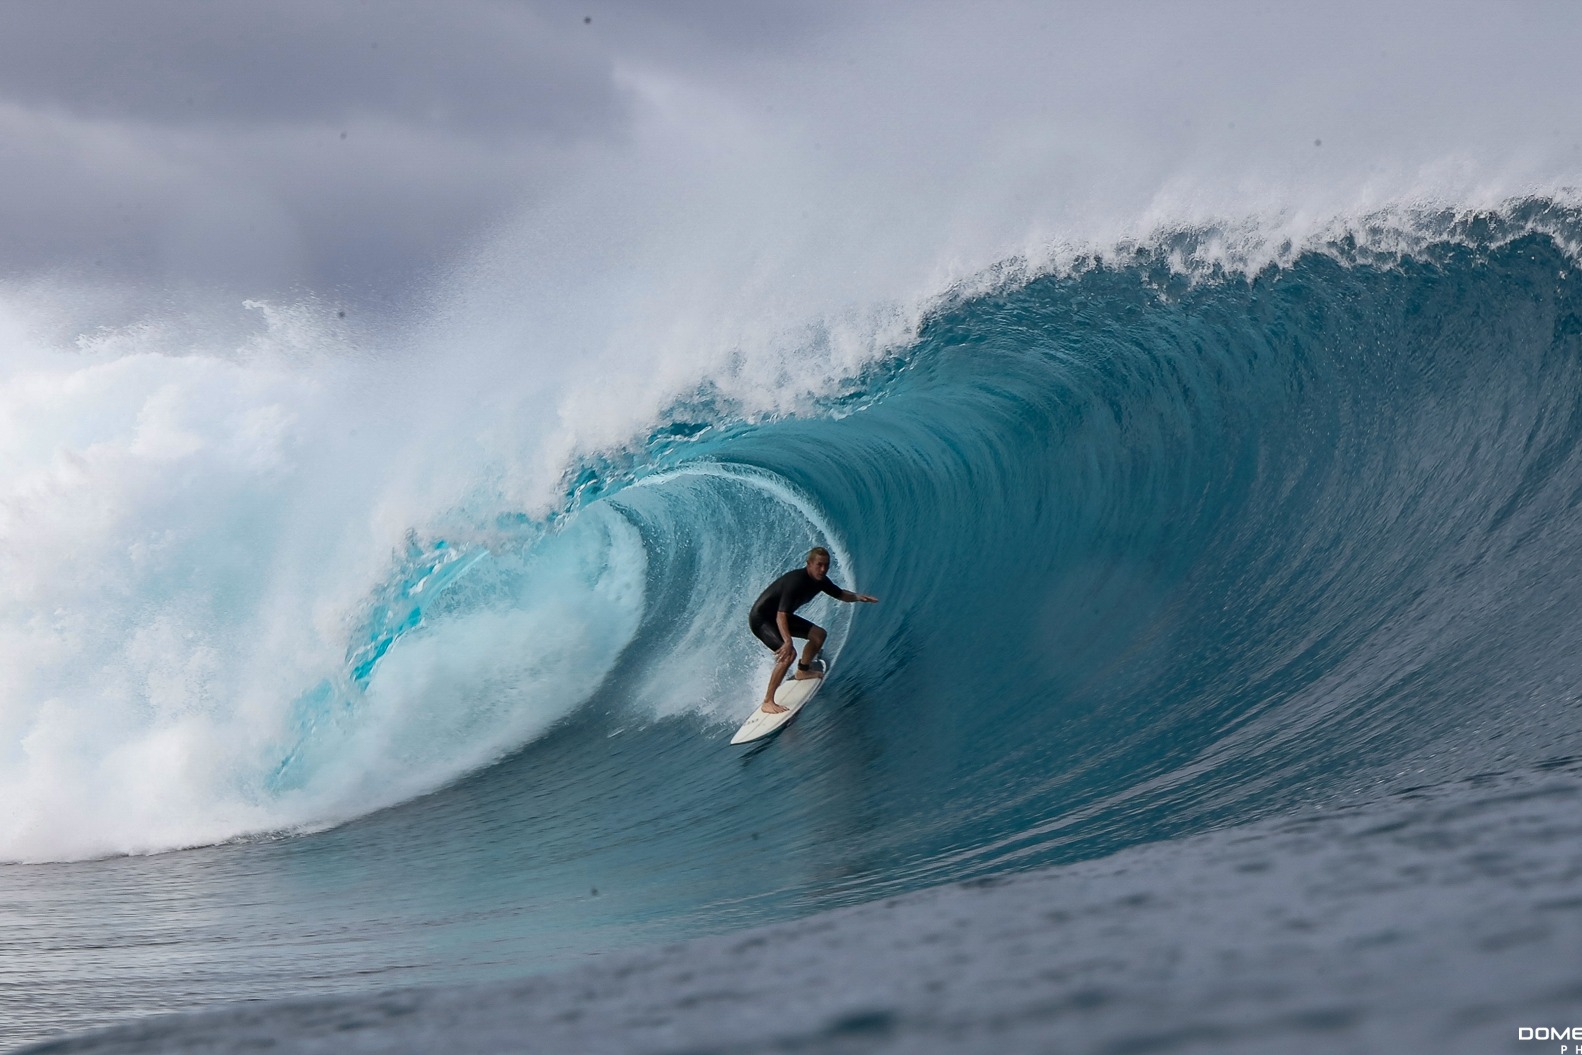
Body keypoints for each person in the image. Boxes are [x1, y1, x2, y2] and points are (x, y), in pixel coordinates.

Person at [748, 546, 877, 714]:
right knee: (788, 654)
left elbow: (840, 594)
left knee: (819, 635)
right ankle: (768, 701)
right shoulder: (796, 582)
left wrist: (858, 597)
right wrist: (787, 641)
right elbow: (781, 615)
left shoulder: (821, 580)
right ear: (809, 564)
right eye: (819, 565)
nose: (823, 569)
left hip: (776, 617)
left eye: (826, 565)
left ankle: (802, 670)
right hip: (762, 620)